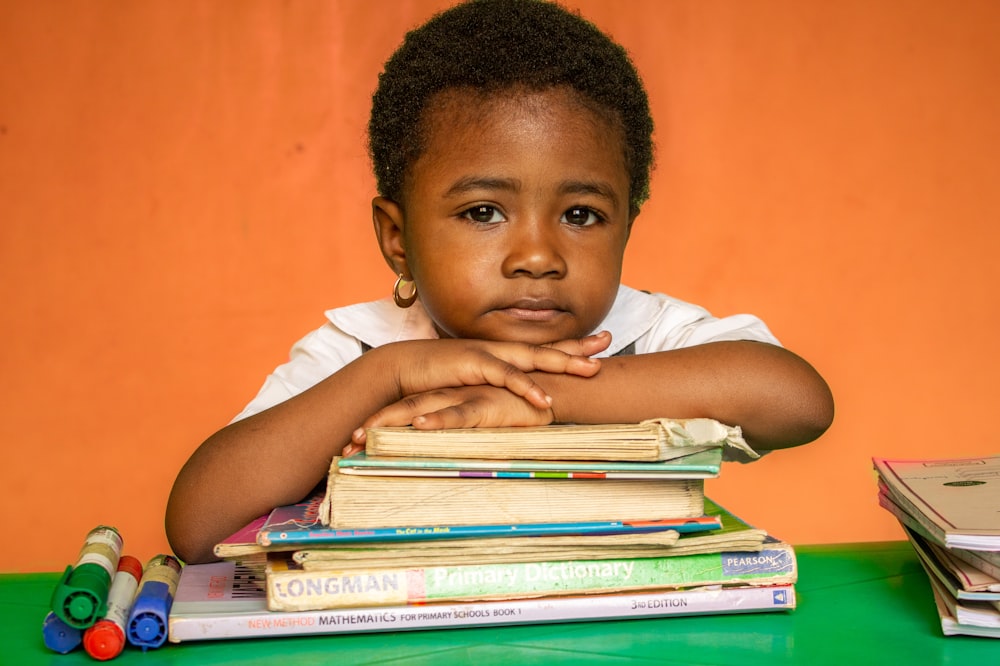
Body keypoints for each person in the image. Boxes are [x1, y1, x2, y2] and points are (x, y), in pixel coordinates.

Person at [166, 0, 834, 565]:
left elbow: (798, 400)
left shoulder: (643, 335)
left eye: (581, 215)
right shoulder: (364, 352)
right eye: (483, 212)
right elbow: (198, 526)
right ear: (397, 240)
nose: (537, 256)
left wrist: (541, 396)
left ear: (627, 227)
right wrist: (391, 376)